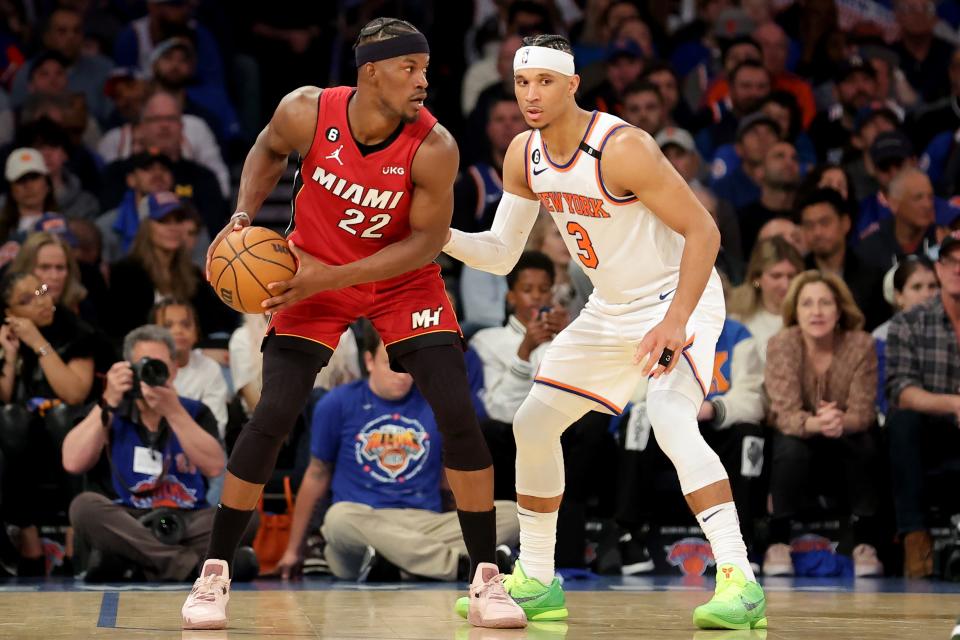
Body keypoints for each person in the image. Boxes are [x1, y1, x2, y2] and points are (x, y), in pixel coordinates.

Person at [181, 18, 524, 631]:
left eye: (424, 68)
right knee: (272, 418)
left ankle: (486, 580)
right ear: (371, 73)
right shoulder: (307, 111)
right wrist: (241, 216)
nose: (423, 81)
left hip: (399, 278)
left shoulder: (434, 145)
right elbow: (265, 149)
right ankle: (213, 574)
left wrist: (331, 278)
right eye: (408, 69)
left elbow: (427, 243)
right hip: (308, 270)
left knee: (458, 416)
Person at [443, 34, 767, 630]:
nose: (531, 95)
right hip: (611, 307)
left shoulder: (623, 148)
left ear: (572, 86)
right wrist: (436, 234)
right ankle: (539, 578)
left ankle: (739, 578)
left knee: (671, 418)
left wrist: (675, 322)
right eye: (522, 83)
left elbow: (706, 233)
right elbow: (500, 252)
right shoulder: (523, 153)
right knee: (533, 422)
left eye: (545, 82)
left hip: (679, 296)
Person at [275, 323, 518, 581]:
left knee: (512, 515)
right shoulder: (336, 403)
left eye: (406, 366)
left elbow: (451, 479)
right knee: (337, 519)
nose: (401, 374)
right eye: (390, 364)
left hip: (425, 522)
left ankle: (399, 566)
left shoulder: (435, 403)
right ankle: (458, 565)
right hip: (363, 520)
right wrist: (293, 550)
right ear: (369, 361)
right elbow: (316, 475)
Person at [62, 325, 242, 583]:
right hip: (126, 518)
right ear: (127, 369)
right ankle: (187, 566)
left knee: (243, 518)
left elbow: (215, 467)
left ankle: (132, 562)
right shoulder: (110, 409)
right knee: (84, 507)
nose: (150, 374)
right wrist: (108, 401)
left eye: (159, 365)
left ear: (175, 368)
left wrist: (174, 411)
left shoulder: (194, 411)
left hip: (187, 519)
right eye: (142, 365)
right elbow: (72, 461)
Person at [764, 270, 883, 577]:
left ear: (839, 308)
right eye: (807, 304)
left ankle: (865, 542)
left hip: (845, 433)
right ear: (795, 311)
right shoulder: (782, 344)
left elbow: (864, 411)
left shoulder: (861, 344)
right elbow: (785, 412)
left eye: (825, 303)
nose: (816, 312)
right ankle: (778, 541)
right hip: (798, 434)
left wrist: (841, 420)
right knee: (788, 448)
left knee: (865, 442)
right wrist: (818, 422)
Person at [0, 271, 95, 575]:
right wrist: (11, 354)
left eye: (41, 291)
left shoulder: (76, 331)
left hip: (68, 431)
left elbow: (75, 392)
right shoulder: (6, 336)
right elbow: (4, 398)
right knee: (9, 419)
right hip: (22, 441)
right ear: (9, 313)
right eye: (26, 300)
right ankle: (28, 541)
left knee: (61, 416)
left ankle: (72, 537)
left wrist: (37, 341)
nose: (41, 301)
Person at [885, 230, 960, 578]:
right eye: (952, 262)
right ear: (940, 269)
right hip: (933, 432)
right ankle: (916, 545)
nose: (958, 270)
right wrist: (954, 404)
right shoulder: (908, 322)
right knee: (903, 422)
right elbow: (900, 389)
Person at [150, 299, 229, 439]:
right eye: (168, 326)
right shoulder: (146, 368)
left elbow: (216, 428)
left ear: (196, 331)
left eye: (186, 324)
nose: (178, 330)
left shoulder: (210, 368)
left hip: (201, 450)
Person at [873, 257, 939, 418]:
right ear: (898, 296)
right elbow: (885, 401)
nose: (926, 294)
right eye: (916, 287)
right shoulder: (880, 338)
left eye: (933, 286)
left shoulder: (953, 328)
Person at [727, 237, 804, 362]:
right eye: (776, 276)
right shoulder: (737, 316)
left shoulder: (809, 317)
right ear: (757, 278)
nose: (785, 284)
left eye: (791, 276)